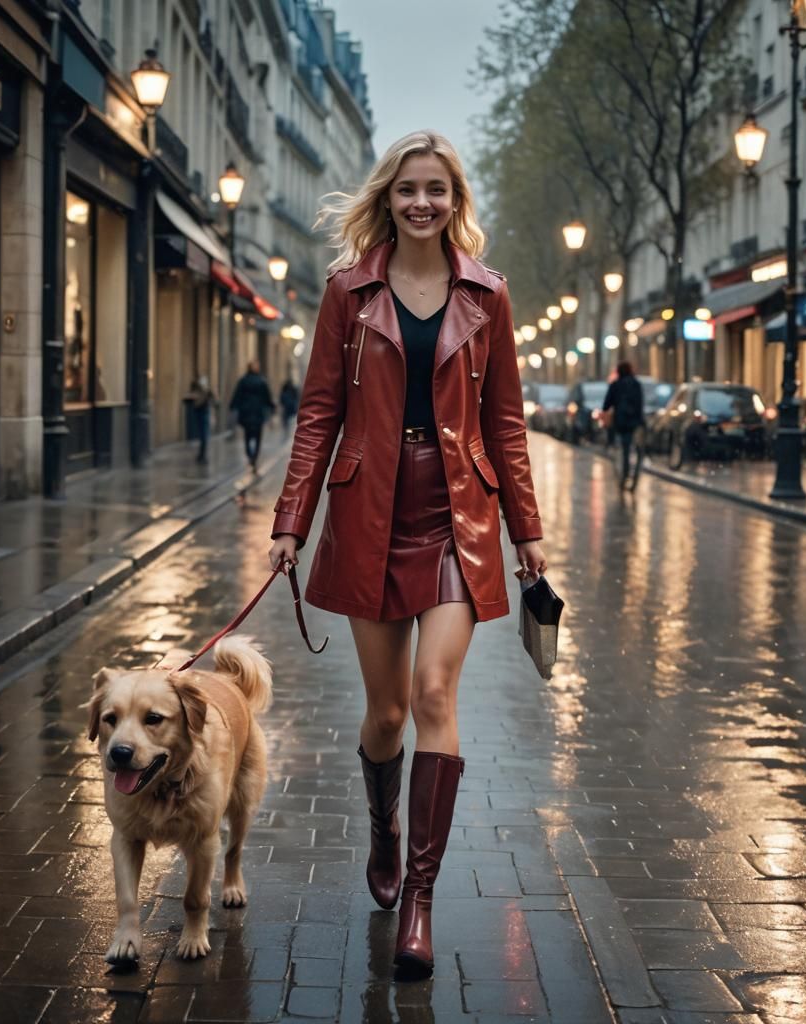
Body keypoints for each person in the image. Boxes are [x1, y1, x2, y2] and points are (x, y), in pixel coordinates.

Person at [267, 131, 546, 977]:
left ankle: (420, 898)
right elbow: (319, 411)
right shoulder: (348, 292)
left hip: (457, 512)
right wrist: (292, 519)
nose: (421, 202)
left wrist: (526, 533)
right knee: (386, 715)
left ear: (455, 199)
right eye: (407, 189)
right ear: (387, 198)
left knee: (434, 692)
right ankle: (386, 826)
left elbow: (505, 422)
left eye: (436, 189)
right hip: (369, 512)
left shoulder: (488, 294)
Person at [602, 361, 644, 488]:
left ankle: (625, 473)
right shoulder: (636, 384)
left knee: (624, 447)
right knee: (637, 447)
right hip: (634, 421)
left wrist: (609, 410)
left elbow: (606, 404)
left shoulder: (615, 385)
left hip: (620, 422)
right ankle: (634, 471)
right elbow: (640, 403)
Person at [229, 360, 275, 473]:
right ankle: (253, 457)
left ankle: (250, 455)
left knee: (248, 435)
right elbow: (267, 397)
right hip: (257, 412)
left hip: (246, 412)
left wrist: (233, 406)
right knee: (258, 436)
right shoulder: (261, 381)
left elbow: (237, 395)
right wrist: (272, 406)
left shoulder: (243, 381)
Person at [188, 375, 215, 464]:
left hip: (203, 413)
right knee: (203, 435)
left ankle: (202, 455)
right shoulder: (198, 390)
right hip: (200, 413)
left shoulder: (206, 391)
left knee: (204, 435)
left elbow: (213, 399)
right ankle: (201, 455)